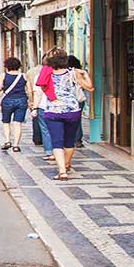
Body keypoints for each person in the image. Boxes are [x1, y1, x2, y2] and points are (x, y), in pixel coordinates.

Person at [42, 51, 94, 179]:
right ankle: (66, 164)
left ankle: (62, 171)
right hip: (72, 111)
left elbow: (42, 88)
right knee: (69, 142)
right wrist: (86, 74)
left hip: (53, 110)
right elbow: (90, 87)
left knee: (57, 142)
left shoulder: (46, 73)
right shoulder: (74, 73)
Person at [0, 56, 29, 152]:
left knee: (6, 122)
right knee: (17, 123)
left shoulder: (3, 75)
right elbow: (30, 90)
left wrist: (3, 89)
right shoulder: (24, 75)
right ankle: (16, 145)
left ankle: (7, 141)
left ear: (7, 66)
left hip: (7, 101)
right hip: (21, 100)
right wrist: (31, 101)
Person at [67, 55, 92, 148]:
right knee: (77, 120)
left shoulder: (62, 73)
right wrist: (85, 74)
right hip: (78, 99)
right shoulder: (78, 73)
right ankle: (77, 140)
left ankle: (68, 139)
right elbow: (89, 87)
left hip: (67, 100)